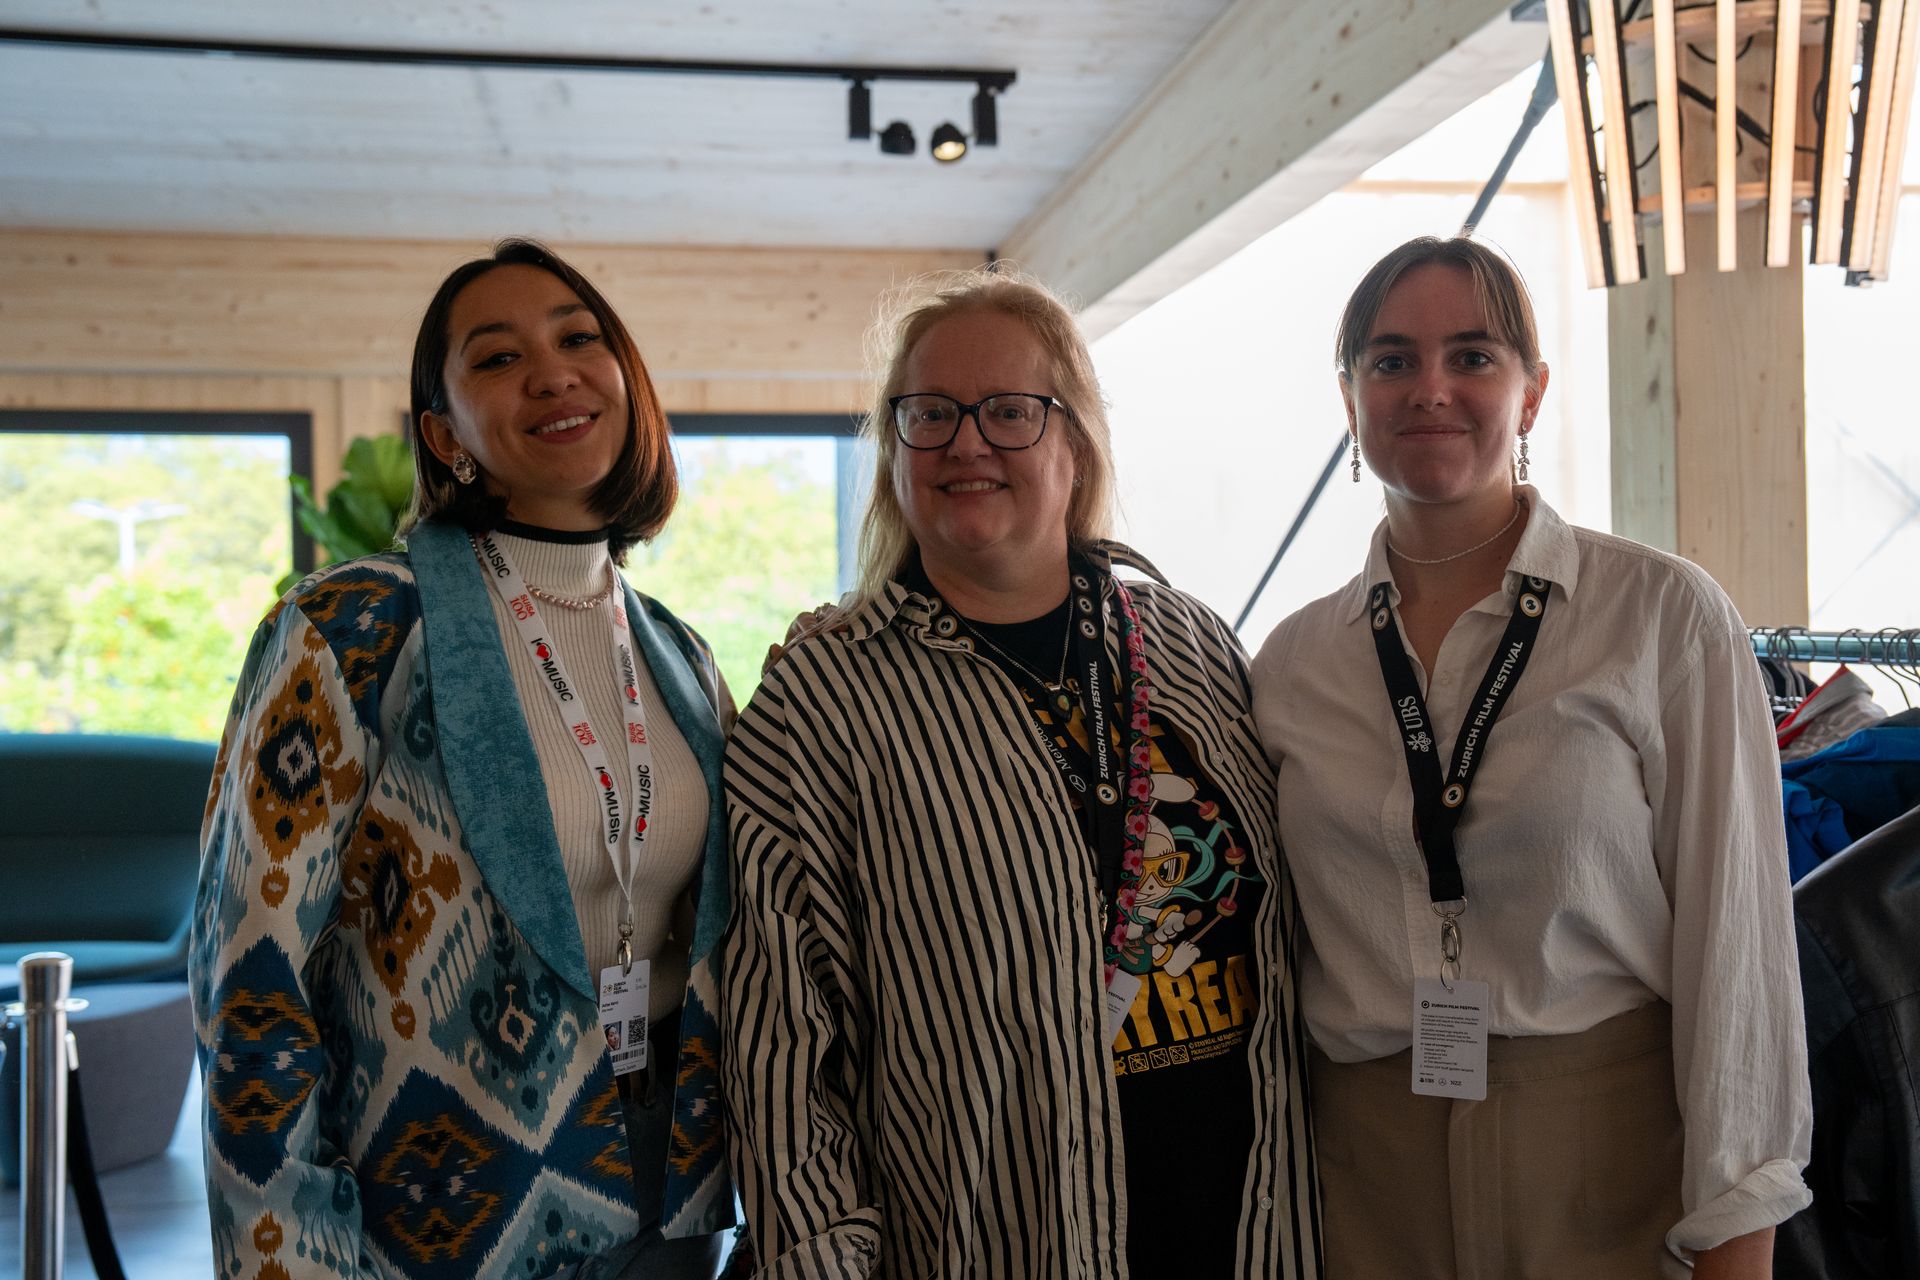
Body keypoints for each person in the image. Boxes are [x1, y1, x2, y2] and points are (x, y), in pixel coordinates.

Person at [720, 268, 1320, 1278]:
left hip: (1249, 1231)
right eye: (930, 414)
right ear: (893, 453)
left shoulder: (1195, 647)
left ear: (1075, 445)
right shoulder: (819, 705)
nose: (966, 443)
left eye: (1009, 411)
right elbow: (779, 1046)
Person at [1250, 235, 1811, 1278]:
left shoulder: (1659, 615)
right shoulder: (1292, 664)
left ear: (1533, 393)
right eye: (1391, 360)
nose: (1430, 388)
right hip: (1364, 1179)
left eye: (1472, 356)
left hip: (1610, 1166)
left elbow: (1738, 953)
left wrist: (1741, 1230)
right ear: (1350, 399)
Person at [191, 239, 738, 1280]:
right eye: (498, 357)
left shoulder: (679, 652)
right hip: (438, 1226)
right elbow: (250, 973)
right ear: (445, 435)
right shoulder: (350, 627)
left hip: (675, 1213)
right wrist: (285, 1251)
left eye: (580, 339)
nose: (553, 373)